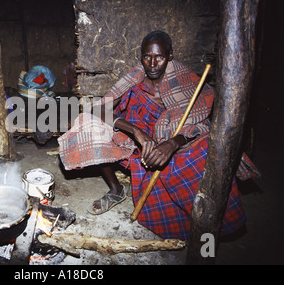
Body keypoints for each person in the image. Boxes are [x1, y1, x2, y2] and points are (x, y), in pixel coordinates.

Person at [58, 31, 259, 240]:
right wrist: (137, 132)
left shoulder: (185, 80)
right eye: (147, 57)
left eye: (159, 57)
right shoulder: (134, 78)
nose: (152, 63)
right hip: (138, 142)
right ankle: (116, 189)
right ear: (141, 57)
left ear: (170, 56)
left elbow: (202, 123)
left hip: (173, 143)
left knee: (204, 150)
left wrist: (173, 143)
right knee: (90, 124)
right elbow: (98, 109)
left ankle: (206, 218)